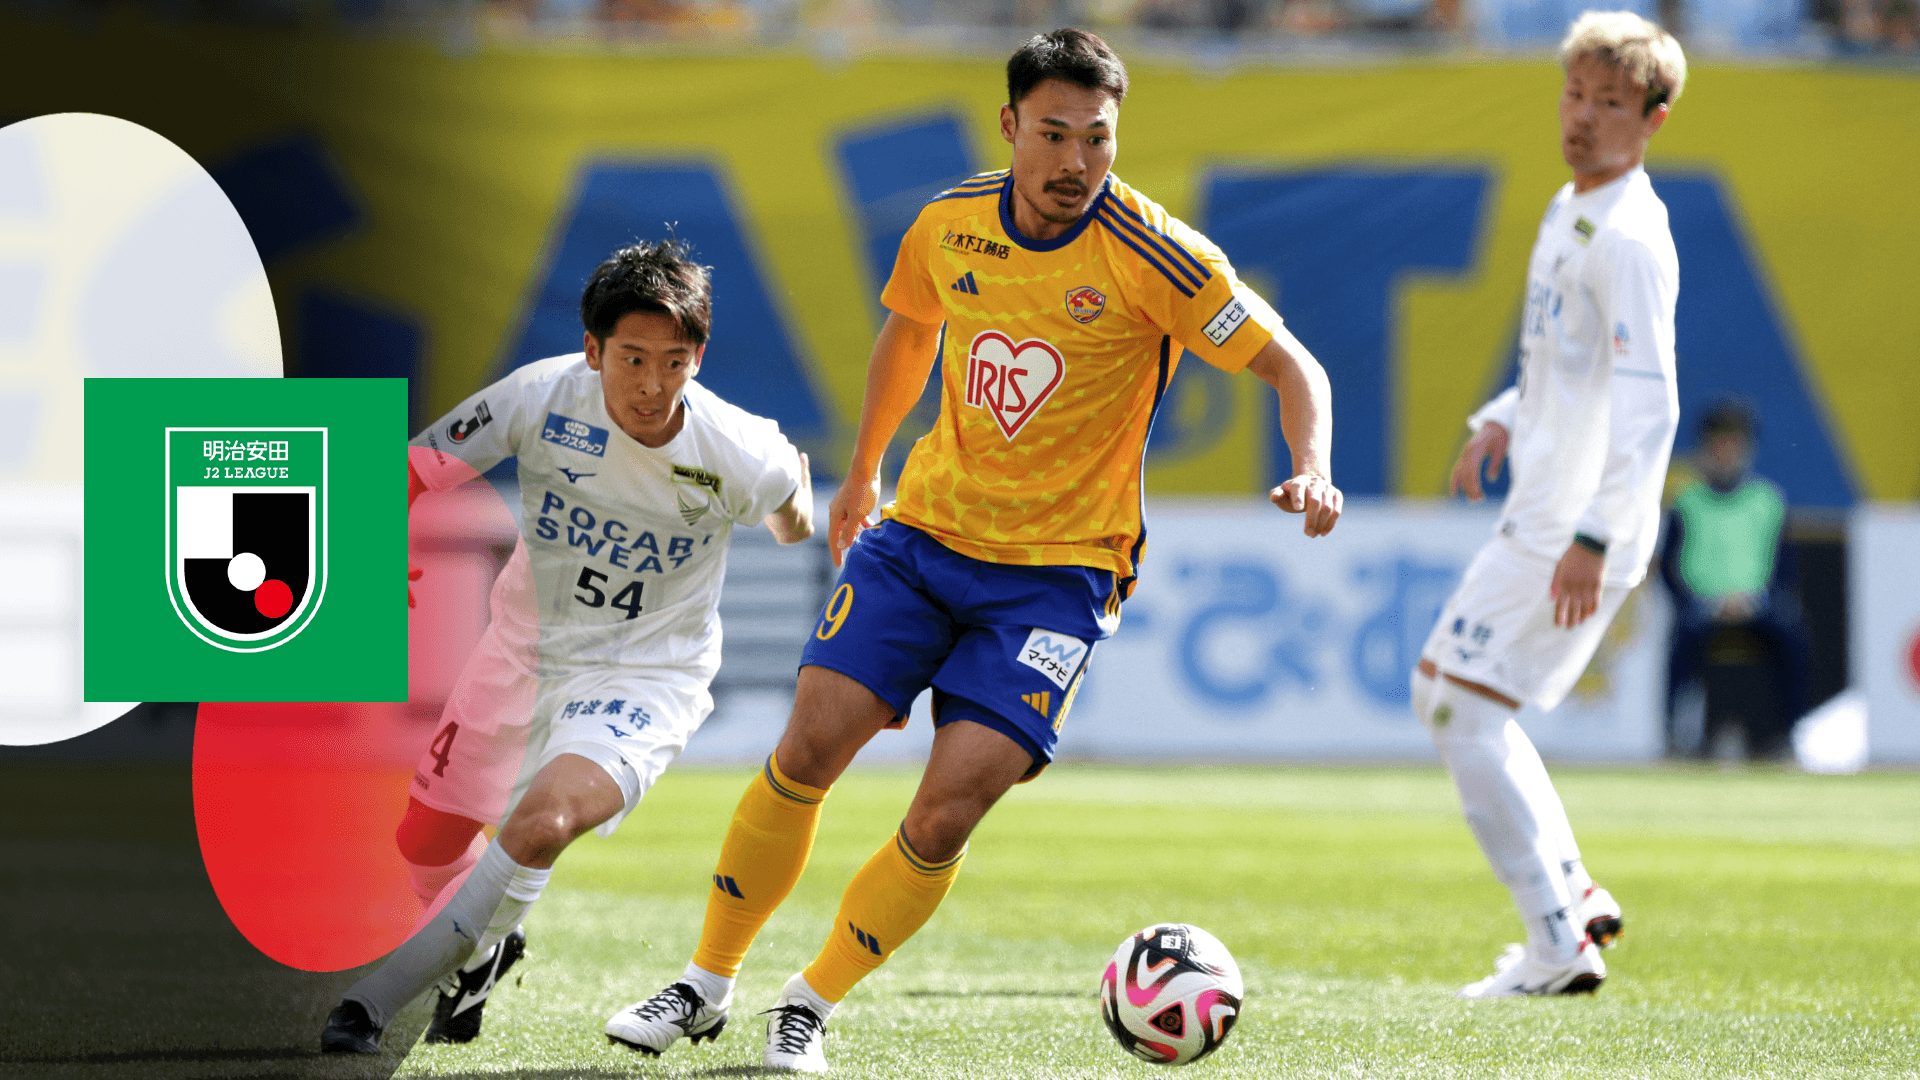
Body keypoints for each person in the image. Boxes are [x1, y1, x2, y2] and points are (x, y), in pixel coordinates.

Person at [605, 27, 1341, 1073]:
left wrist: (1313, 467)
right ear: (1010, 126)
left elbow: (1293, 365)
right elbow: (911, 332)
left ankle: (809, 1002)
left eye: (1098, 138)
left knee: (949, 811)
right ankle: (704, 982)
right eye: (1055, 134)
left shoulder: (1159, 255)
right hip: (922, 539)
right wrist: (865, 472)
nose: (1077, 161)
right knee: (807, 748)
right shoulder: (950, 224)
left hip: (1058, 579)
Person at [321, 239, 814, 1052]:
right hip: (519, 652)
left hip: (646, 674)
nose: (653, 385)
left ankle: (371, 1002)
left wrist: (795, 497)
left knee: (541, 823)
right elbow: (414, 469)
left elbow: (793, 522)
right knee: (425, 842)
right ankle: (487, 948)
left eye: (675, 362)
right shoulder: (540, 395)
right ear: (593, 350)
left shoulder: (740, 448)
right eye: (632, 359)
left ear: (698, 358)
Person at [1419, 11, 1685, 998]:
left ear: (1651, 119)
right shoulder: (1573, 204)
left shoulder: (1629, 238)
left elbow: (1652, 408)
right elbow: (1563, 360)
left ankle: (1555, 942)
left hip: (1574, 524)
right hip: (1545, 507)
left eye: (1609, 103)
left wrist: (1595, 536)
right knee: (1450, 696)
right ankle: (1570, 896)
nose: (1582, 117)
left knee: (1459, 704)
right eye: (1575, 94)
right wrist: (1503, 415)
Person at [1662, 399, 1809, 759]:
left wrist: (1751, 601)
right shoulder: (1687, 502)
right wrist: (1704, 602)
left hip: (1756, 605)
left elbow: (1785, 569)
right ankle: (1676, 735)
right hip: (1702, 606)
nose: (1726, 452)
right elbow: (1669, 568)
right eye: (1719, 443)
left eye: (1734, 443)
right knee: (1682, 637)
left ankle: (1787, 735)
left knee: (1793, 636)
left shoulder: (1768, 500)